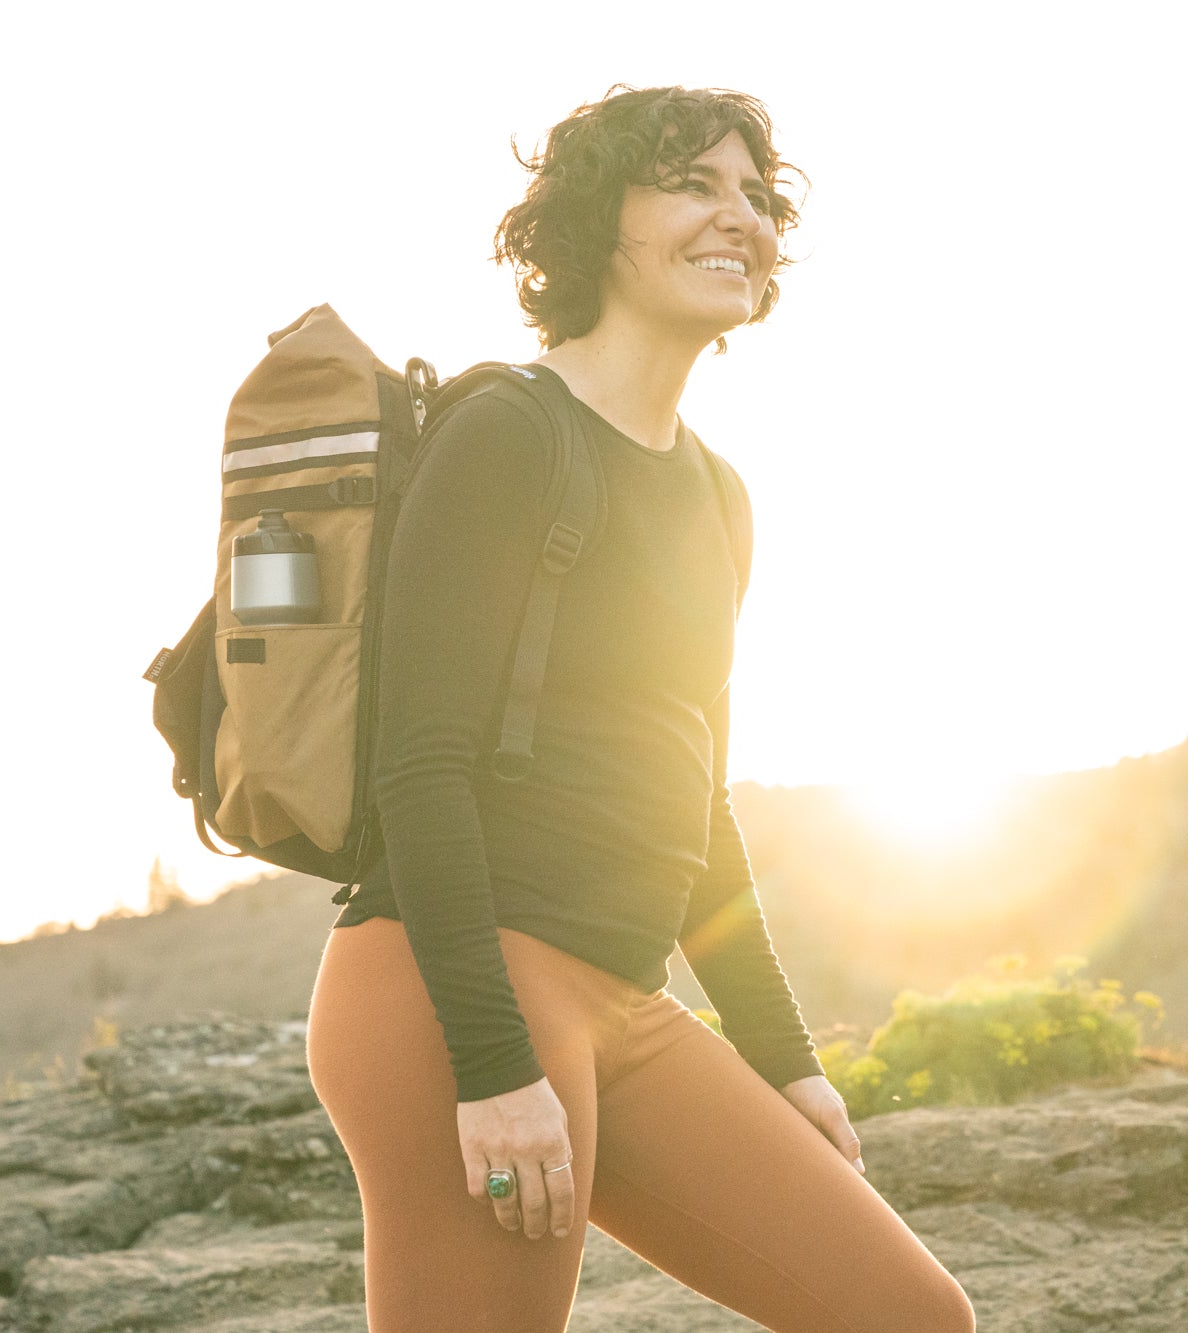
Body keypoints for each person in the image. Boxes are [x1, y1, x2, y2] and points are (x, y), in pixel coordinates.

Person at [304, 85, 977, 1333]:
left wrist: (783, 1059)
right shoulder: (505, 432)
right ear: (594, 220)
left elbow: (695, 797)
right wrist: (492, 1064)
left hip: (627, 999)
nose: (740, 218)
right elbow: (420, 763)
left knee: (907, 1315)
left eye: (756, 196)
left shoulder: (717, 496)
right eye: (692, 184)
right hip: (455, 990)